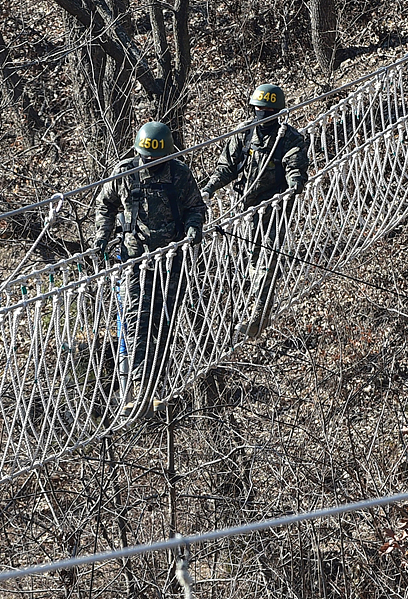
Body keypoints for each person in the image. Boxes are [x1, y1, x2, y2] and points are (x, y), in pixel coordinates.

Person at [92, 121, 207, 417]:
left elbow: (196, 207)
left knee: (164, 323)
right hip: (135, 260)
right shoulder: (125, 172)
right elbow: (105, 206)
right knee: (136, 321)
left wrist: (194, 228)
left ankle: (157, 384)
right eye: (146, 157)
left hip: (170, 260)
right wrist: (101, 237)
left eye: (156, 158)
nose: (150, 162)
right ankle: (141, 387)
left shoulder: (179, 174)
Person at [201, 83, 309, 338]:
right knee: (252, 258)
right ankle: (254, 306)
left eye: (269, 110)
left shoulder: (289, 137)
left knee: (267, 258)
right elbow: (227, 167)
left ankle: (258, 316)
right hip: (248, 208)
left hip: (275, 206)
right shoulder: (245, 134)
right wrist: (209, 188)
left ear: (278, 111)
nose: (263, 114)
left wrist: (294, 183)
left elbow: (294, 162)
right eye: (259, 109)